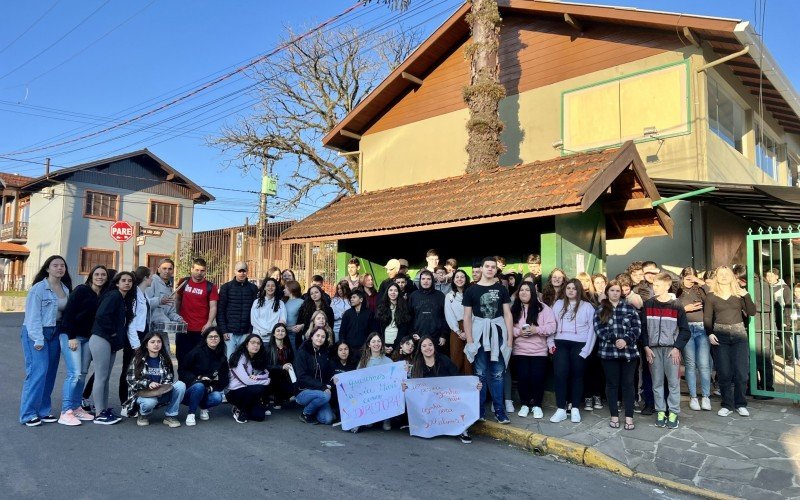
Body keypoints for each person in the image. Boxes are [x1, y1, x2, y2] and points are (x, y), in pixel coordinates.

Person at [19, 255, 72, 427]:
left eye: (62, 265)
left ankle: (43, 410)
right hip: (37, 332)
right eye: (55, 265)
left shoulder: (65, 288)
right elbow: (32, 316)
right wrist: (38, 339)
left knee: (50, 373)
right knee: (37, 372)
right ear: (47, 269)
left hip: (55, 332)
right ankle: (28, 414)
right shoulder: (39, 289)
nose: (59, 268)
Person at [463, 257, 513, 424]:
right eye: (487, 266)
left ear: (496, 270)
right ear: (482, 268)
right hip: (478, 335)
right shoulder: (471, 291)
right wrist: (470, 340)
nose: (490, 269)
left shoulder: (501, 289)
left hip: (497, 334)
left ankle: (500, 411)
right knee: (480, 374)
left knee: (498, 373)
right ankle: (480, 411)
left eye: (493, 267)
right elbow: (467, 316)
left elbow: (507, 314)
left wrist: (510, 339)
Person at [641, 272, 691, 429]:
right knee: (657, 383)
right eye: (654, 285)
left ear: (667, 286)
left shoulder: (676, 305)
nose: (655, 288)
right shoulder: (648, 304)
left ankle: (674, 412)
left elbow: (685, 330)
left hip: (671, 350)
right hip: (653, 350)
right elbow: (642, 329)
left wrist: (677, 348)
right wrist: (646, 347)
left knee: (673, 383)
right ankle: (661, 411)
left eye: (658, 285)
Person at [60, 265, 108, 424]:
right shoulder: (81, 290)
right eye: (97, 274)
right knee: (74, 374)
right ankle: (65, 411)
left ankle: (76, 408)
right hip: (74, 337)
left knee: (83, 373)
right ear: (91, 276)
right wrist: (71, 336)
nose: (100, 277)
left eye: (103, 275)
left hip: (89, 338)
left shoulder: (103, 294)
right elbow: (69, 313)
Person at [705, 266, 756, 417]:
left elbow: (752, 312)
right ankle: (727, 404)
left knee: (741, 373)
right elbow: (707, 317)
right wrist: (709, 333)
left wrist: (746, 295)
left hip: (739, 334)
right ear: (716, 277)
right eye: (721, 274)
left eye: (727, 274)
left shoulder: (739, 294)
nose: (724, 276)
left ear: (732, 277)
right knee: (724, 372)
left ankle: (740, 403)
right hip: (720, 335)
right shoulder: (711, 296)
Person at [90, 271, 136, 425]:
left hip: (110, 341)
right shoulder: (114, 296)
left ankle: (103, 409)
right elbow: (101, 316)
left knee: (106, 377)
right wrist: (114, 333)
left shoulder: (124, 299)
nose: (127, 283)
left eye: (130, 280)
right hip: (101, 338)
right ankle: (99, 413)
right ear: (117, 283)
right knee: (101, 377)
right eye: (123, 280)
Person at [594, 280, 641, 430]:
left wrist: (626, 340)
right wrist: (615, 340)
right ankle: (614, 415)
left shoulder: (629, 309)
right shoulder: (601, 309)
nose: (615, 293)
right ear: (607, 292)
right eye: (612, 290)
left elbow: (637, 328)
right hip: (609, 353)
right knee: (612, 384)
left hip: (629, 352)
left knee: (628, 385)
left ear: (621, 293)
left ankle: (629, 417)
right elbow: (599, 329)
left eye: (617, 291)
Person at [548, 279, 596, 424]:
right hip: (560, 343)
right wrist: (550, 342)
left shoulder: (587, 306)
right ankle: (561, 409)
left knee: (577, 376)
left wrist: (586, 350)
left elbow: (592, 330)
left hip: (579, 344)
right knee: (560, 375)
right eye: (568, 288)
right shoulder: (558, 304)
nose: (570, 291)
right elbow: (552, 324)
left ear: (579, 290)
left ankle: (575, 408)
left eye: (574, 288)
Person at [511, 282, 556, 419]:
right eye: (521, 290)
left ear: (533, 292)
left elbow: (552, 327)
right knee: (523, 378)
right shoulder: (514, 309)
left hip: (539, 351)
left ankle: (537, 405)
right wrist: (518, 332)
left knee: (537, 378)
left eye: (527, 290)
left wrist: (537, 330)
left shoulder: (543, 309)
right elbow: (507, 328)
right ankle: (524, 404)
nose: (524, 292)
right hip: (520, 350)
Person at [125, 331, 186, 427]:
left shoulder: (164, 359)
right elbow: (131, 380)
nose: (156, 344)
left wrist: (162, 388)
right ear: (146, 344)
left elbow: (169, 379)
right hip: (143, 395)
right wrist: (148, 383)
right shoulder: (138, 359)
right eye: (152, 342)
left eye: (159, 342)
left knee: (180, 385)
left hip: (160, 393)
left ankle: (170, 416)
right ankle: (143, 414)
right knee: (150, 403)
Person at [677, 267, 712, 411]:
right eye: (687, 277)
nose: (690, 280)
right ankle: (693, 397)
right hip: (686, 330)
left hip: (701, 328)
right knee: (690, 365)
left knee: (704, 365)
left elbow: (712, 294)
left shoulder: (700, 289)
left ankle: (706, 397)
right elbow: (672, 307)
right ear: (682, 277)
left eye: (693, 277)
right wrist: (686, 308)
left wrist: (700, 282)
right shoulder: (677, 291)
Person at [178, 326, 228, 426]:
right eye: (210, 337)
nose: (213, 339)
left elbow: (224, 379)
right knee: (199, 386)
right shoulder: (196, 352)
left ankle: (202, 406)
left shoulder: (222, 357)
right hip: (190, 389)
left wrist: (211, 387)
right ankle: (191, 414)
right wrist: (198, 378)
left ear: (220, 339)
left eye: (216, 337)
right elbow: (182, 370)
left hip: (207, 389)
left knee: (218, 397)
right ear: (205, 339)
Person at [119, 267, 153, 410]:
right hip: (135, 338)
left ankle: (135, 400)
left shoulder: (143, 294)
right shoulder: (134, 295)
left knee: (139, 369)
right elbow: (131, 322)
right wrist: (136, 344)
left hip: (143, 335)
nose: (152, 278)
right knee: (128, 369)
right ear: (145, 278)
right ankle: (124, 401)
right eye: (151, 276)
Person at [175, 258, 219, 366]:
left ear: (205, 271)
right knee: (182, 357)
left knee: (200, 358)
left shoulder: (211, 286)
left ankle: (198, 381)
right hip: (183, 327)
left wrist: (209, 323)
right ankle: (182, 381)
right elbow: (178, 299)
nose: (199, 273)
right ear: (192, 269)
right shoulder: (183, 282)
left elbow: (213, 306)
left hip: (201, 329)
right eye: (197, 270)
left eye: (202, 270)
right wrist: (176, 316)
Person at [352, 332, 394, 432]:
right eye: (373, 341)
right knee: (368, 424)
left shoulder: (389, 361)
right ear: (369, 344)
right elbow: (357, 380)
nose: (376, 344)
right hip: (369, 396)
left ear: (382, 344)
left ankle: (386, 419)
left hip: (384, 395)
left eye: (379, 341)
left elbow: (394, 380)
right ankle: (366, 418)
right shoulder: (363, 361)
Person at [217, 261, 259, 358]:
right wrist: (223, 330)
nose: (242, 273)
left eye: (244, 271)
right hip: (229, 333)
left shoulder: (253, 288)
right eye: (239, 271)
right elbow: (220, 311)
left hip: (246, 333)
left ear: (247, 271)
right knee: (229, 360)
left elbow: (256, 312)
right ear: (235, 271)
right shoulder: (226, 288)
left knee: (244, 360)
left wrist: (251, 331)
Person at [226, 334, 270, 423]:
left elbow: (266, 373)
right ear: (246, 344)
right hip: (234, 392)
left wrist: (259, 377)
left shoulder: (255, 358)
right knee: (259, 388)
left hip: (247, 390)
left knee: (260, 416)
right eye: (253, 342)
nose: (256, 345)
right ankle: (240, 410)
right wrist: (266, 381)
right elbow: (247, 381)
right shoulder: (240, 358)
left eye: (258, 343)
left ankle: (243, 407)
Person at [295, 327, 335, 425]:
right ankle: (306, 413)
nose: (320, 338)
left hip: (320, 392)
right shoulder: (302, 351)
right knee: (325, 396)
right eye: (317, 335)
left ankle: (313, 409)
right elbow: (302, 376)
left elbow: (329, 372)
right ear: (311, 336)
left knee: (328, 419)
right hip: (303, 391)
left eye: (323, 337)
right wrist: (322, 387)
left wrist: (331, 382)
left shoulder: (325, 353)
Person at [144, 258, 183, 354]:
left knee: (165, 357)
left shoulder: (169, 287)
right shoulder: (152, 281)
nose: (167, 271)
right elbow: (145, 304)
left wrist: (178, 318)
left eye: (170, 269)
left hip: (162, 330)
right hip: (149, 329)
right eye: (164, 268)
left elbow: (170, 312)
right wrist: (159, 301)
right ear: (158, 269)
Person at [408, 270, 448, 347]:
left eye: (428, 279)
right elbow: (409, 317)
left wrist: (444, 335)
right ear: (420, 280)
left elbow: (445, 316)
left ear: (432, 281)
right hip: (418, 337)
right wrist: (412, 333)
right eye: (423, 279)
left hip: (437, 337)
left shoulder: (440, 295)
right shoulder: (413, 296)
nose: (426, 281)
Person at [444, 269, 472, 375]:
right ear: (453, 280)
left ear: (466, 279)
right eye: (457, 277)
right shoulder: (449, 296)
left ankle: (470, 386)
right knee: (456, 357)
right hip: (456, 329)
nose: (459, 279)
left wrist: (468, 331)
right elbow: (449, 315)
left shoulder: (471, 294)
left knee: (470, 358)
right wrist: (458, 331)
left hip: (471, 327)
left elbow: (474, 313)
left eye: (462, 277)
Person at [265, 323, 295, 409]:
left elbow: (291, 362)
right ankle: (269, 398)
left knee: (291, 389)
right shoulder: (268, 348)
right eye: (278, 331)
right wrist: (281, 367)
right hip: (271, 376)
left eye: (283, 331)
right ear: (274, 334)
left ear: (285, 334)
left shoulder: (288, 348)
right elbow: (266, 366)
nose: (280, 333)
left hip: (284, 377)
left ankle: (280, 397)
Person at [376, 282, 411, 354]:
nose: (393, 292)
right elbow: (378, 328)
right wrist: (382, 345)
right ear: (387, 292)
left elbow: (403, 330)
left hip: (398, 344)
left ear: (399, 293)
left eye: (395, 290)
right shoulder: (381, 307)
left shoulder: (404, 308)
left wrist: (394, 346)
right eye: (390, 290)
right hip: (383, 343)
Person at [251, 277, 286, 344]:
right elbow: (254, 320)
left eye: (273, 286)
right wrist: (267, 330)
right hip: (258, 338)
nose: (270, 288)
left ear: (276, 288)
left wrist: (272, 331)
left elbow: (282, 321)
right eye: (268, 286)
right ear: (264, 287)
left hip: (274, 340)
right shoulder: (257, 302)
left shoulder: (280, 303)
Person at [329, 341, 357, 422]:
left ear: (349, 350)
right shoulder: (332, 363)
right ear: (337, 351)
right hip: (335, 397)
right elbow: (327, 382)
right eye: (340, 350)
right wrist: (332, 382)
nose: (343, 352)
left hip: (349, 397)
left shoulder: (354, 363)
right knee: (331, 418)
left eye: (346, 349)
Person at [284, 280, 304, 348]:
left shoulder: (301, 302)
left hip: (294, 335)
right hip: (284, 333)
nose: (284, 290)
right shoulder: (285, 301)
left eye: (286, 288)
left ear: (291, 289)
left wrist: (301, 326)